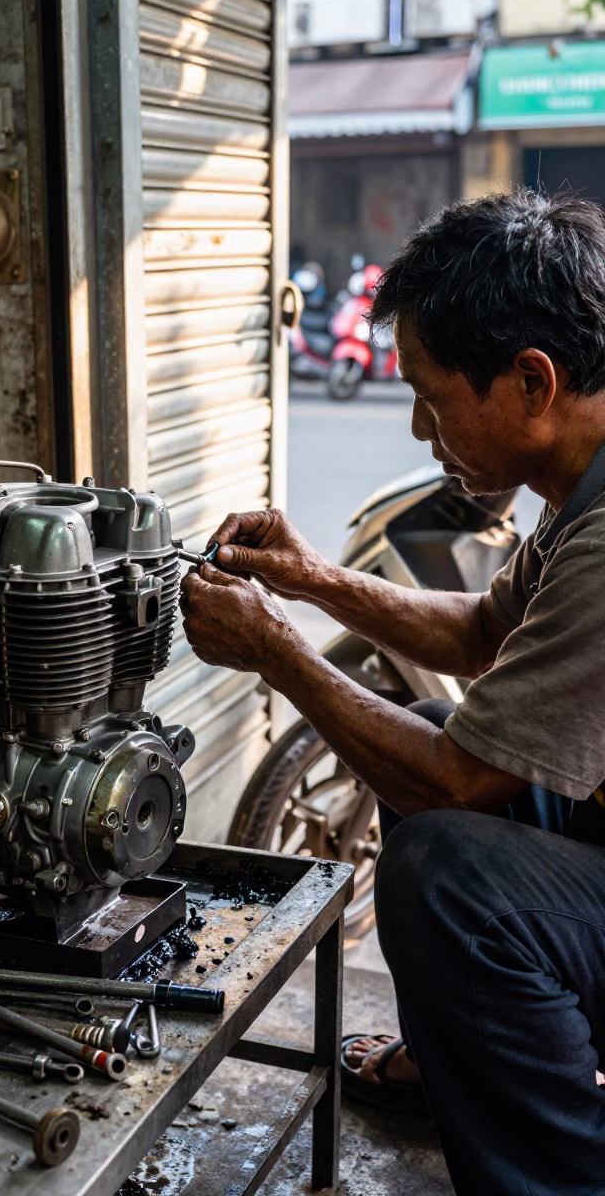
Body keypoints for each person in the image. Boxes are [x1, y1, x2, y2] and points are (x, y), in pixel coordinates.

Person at [179, 189, 605, 1196]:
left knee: (444, 871)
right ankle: (461, 1056)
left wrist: (277, 652)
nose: (418, 428)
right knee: (422, 725)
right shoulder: (579, 488)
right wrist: (311, 579)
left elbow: (458, 784)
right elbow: (477, 632)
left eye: (431, 396)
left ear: (531, 381)